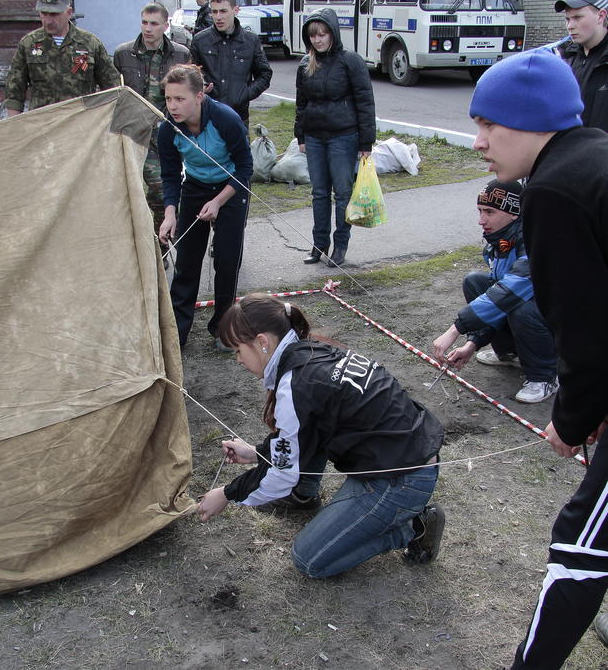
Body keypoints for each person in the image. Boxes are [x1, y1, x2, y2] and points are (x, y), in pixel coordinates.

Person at [469, 47, 608, 670]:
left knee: (580, 543)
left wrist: (573, 418)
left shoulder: (555, 191)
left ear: (530, 122)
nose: (479, 143)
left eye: (489, 126)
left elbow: (585, 326)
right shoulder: (595, 153)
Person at [197, 294, 446, 578]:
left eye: (239, 350)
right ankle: (303, 495)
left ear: (262, 341)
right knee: (315, 431)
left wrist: (227, 494)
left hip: (399, 479)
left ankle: (413, 527)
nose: (239, 359)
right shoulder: (312, 351)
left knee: (309, 559)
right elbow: (301, 435)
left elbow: (282, 474)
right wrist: (257, 453)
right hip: (407, 456)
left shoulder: (296, 384)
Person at [432, 179, 558, 404]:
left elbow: (509, 292)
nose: (481, 220)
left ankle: (546, 376)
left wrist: (455, 329)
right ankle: (509, 353)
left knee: (521, 308)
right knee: (475, 282)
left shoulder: (535, 240)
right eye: (480, 211)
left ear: (514, 213)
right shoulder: (502, 240)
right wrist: (472, 344)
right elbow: (497, 294)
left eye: (489, 212)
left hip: (567, 325)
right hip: (536, 309)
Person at [157, 65, 252, 350]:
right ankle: (178, 333)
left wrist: (219, 201)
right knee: (186, 261)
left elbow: (245, 168)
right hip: (196, 187)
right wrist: (170, 214)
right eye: (168, 98)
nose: (173, 106)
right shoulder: (168, 129)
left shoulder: (226, 119)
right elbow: (170, 175)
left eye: (180, 99)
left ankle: (223, 328)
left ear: (199, 96)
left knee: (226, 260)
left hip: (231, 187)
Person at [294, 8, 376, 268]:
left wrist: (366, 142)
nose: (317, 40)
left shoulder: (350, 60)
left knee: (342, 193)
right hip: (314, 135)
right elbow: (301, 103)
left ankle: (340, 244)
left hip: (344, 136)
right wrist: (300, 135)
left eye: (322, 34)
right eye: (313, 35)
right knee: (319, 193)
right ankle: (319, 244)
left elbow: (365, 101)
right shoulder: (305, 64)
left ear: (332, 34)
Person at [113, 3, 190, 268]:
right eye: (144, 22)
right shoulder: (124, 54)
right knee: (128, 194)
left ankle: (161, 246)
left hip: (165, 133)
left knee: (160, 190)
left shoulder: (180, 54)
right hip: (132, 133)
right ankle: (135, 249)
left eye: (154, 24)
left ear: (165, 26)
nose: (148, 28)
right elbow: (113, 92)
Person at [4, 0, 120, 116]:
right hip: (42, 124)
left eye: (54, 14)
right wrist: (15, 126)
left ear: (69, 12)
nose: (48, 21)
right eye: (44, 13)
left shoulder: (89, 44)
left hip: (81, 123)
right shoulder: (29, 44)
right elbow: (14, 93)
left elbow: (113, 88)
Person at [190, 0, 272, 127]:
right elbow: (190, 73)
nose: (218, 17)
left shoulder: (250, 41)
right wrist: (201, 85)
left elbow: (265, 74)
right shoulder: (200, 40)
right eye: (214, 12)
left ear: (235, 10)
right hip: (207, 116)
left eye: (223, 11)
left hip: (239, 116)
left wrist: (244, 94)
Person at [554, 0, 608, 132]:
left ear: (601, 16)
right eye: (567, 19)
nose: (570, 26)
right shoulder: (564, 58)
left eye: (577, 17)